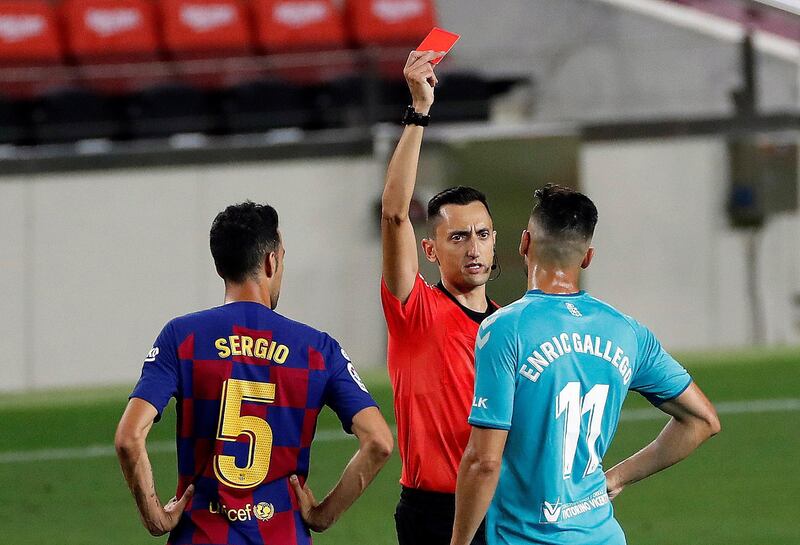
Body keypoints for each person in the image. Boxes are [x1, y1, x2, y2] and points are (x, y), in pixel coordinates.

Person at [451, 184, 721, 545]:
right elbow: (703, 420)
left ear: (525, 243)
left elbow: (483, 462)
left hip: (527, 537)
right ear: (588, 257)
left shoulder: (504, 329)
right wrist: (617, 477)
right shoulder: (626, 331)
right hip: (602, 535)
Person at [115, 201, 393, 545]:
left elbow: (129, 438)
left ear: (221, 267)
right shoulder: (317, 349)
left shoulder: (182, 337)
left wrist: (155, 516)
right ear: (271, 261)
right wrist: (323, 514)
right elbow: (379, 442)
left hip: (201, 536)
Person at [381, 50, 499, 545]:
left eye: (483, 234)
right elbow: (394, 214)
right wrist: (418, 112)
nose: (474, 248)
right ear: (429, 249)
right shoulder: (415, 310)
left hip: (502, 503)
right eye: (458, 237)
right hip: (432, 512)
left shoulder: (512, 324)